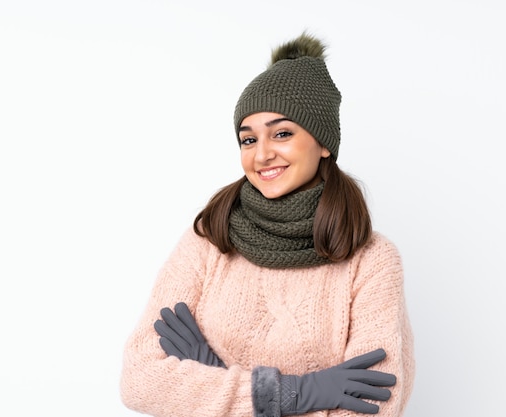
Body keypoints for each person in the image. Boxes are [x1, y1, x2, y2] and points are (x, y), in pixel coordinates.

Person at [120, 32, 415, 417]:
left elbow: (373, 407)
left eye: (282, 134)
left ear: (323, 141)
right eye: (247, 139)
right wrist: (292, 393)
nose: (262, 154)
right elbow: (139, 381)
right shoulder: (209, 240)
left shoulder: (372, 262)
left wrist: (212, 381)